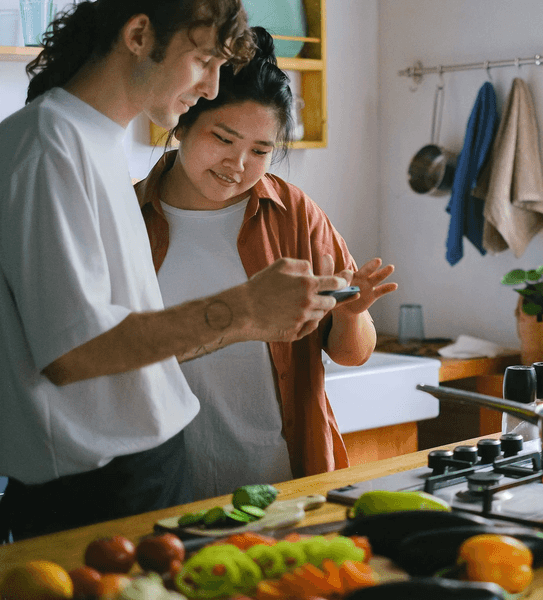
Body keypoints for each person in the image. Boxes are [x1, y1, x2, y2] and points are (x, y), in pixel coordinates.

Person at [0, 0, 348, 543]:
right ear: (139, 35)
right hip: (96, 488)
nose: (213, 85)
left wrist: (251, 322)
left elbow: (128, 342)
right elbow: (75, 352)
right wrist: (244, 306)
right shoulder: (47, 142)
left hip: (141, 475)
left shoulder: (95, 142)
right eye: (203, 60)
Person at [136, 26, 398, 498]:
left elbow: (352, 353)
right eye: (223, 138)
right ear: (182, 124)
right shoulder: (126, 216)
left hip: (280, 481)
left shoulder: (294, 214)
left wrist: (349, 314)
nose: (238, 165)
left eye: (260, 151)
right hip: (158, 486)